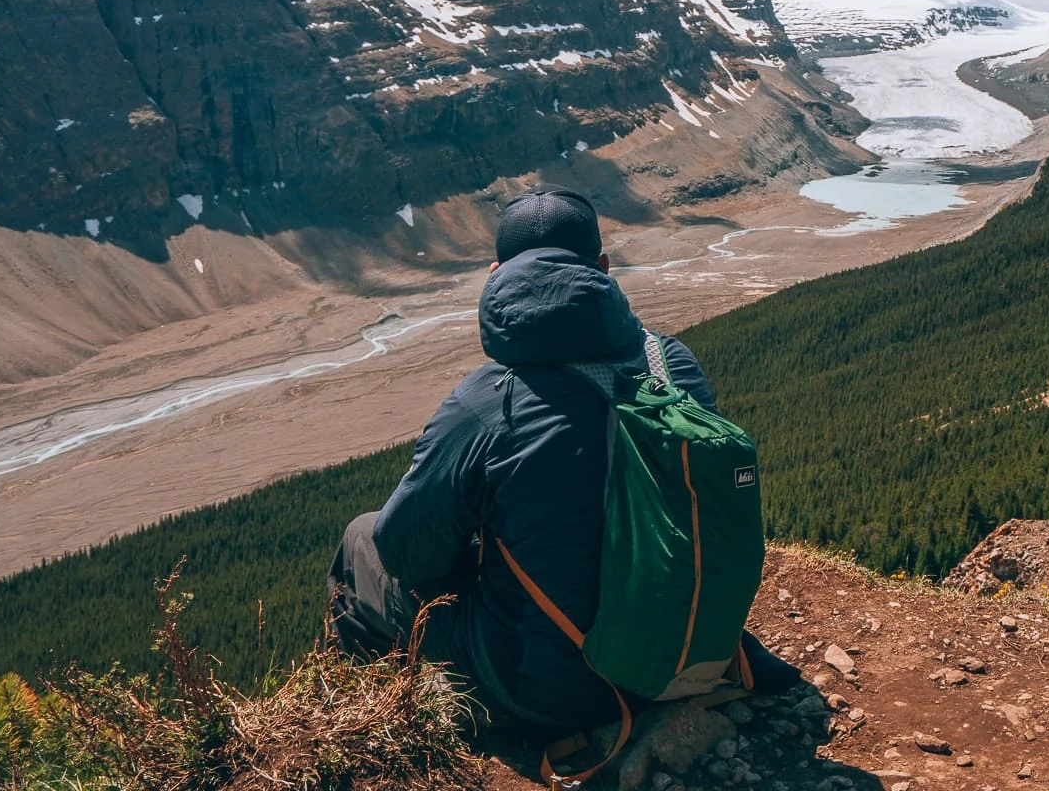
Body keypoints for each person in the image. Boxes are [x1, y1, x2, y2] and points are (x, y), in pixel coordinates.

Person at [326, 184, 799, 735]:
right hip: (682, 659)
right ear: (602, 266)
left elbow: (408, 553)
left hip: (554, 693)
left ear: (495, 273)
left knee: (363, 539)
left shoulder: (483, 400)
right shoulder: (673, 364)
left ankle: (364, 725)